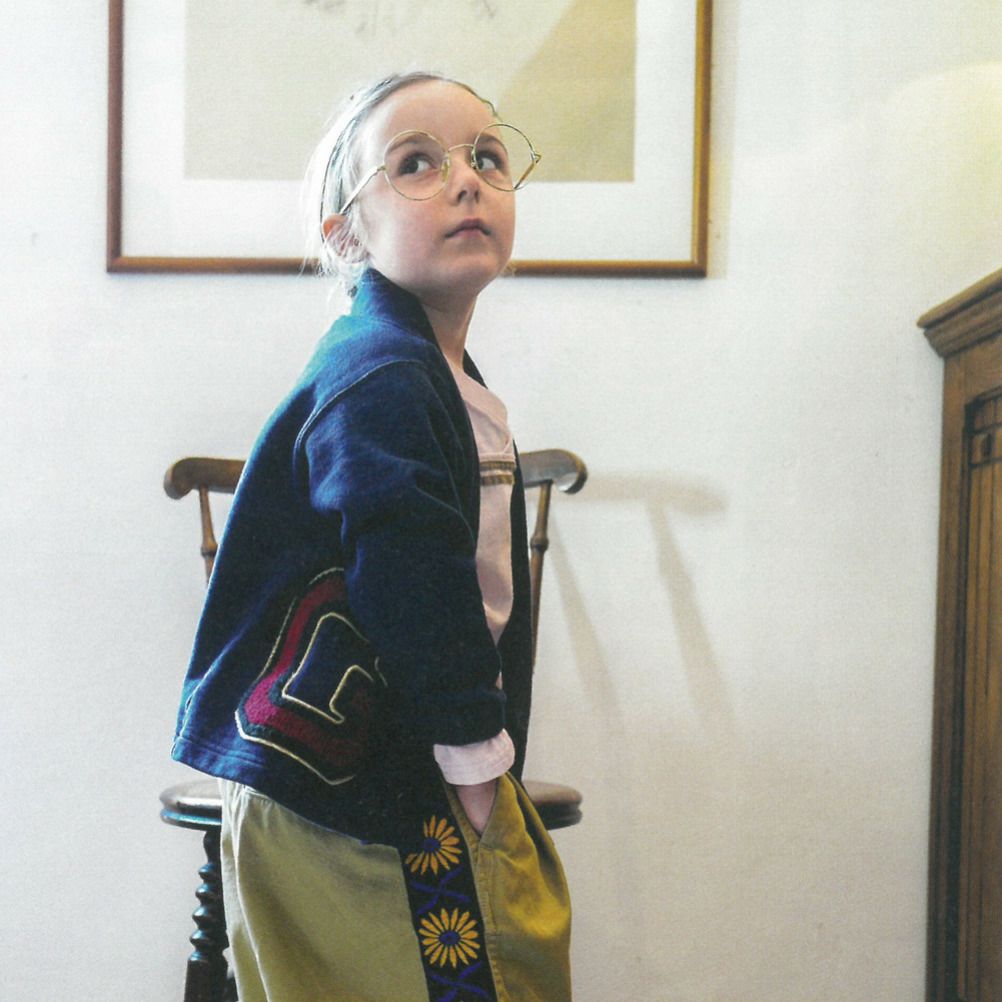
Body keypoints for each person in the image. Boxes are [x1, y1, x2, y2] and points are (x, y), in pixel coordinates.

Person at [171, 71, 572, 1002]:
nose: (466, 179)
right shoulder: (383, 377)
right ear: (346, 234)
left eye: (487, 156)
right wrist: (478, 769)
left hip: (340, 780)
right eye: (416, 164)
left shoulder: (424, 369)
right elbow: (412, 578)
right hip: (353, 797)